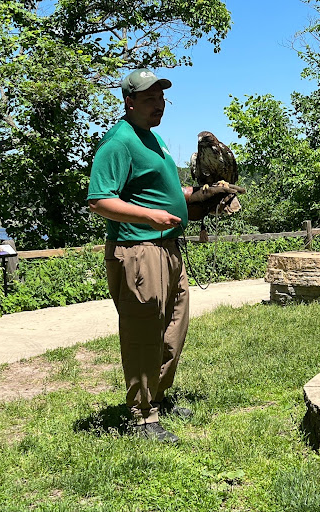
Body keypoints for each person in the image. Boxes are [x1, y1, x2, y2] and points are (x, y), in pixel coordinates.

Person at [87, 68, 242, 443]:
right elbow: (98, 200)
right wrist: (148, 215)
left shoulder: (154, 140)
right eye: (149, 99)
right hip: (139, 249)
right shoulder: (119, 142)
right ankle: (142, 417)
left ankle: (157, 397)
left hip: (169, 246)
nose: (159, 105)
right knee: (144, 331)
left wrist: (200, 197)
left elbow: (166, 190)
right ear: (130, 102)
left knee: (174, 328)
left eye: (161, 98)